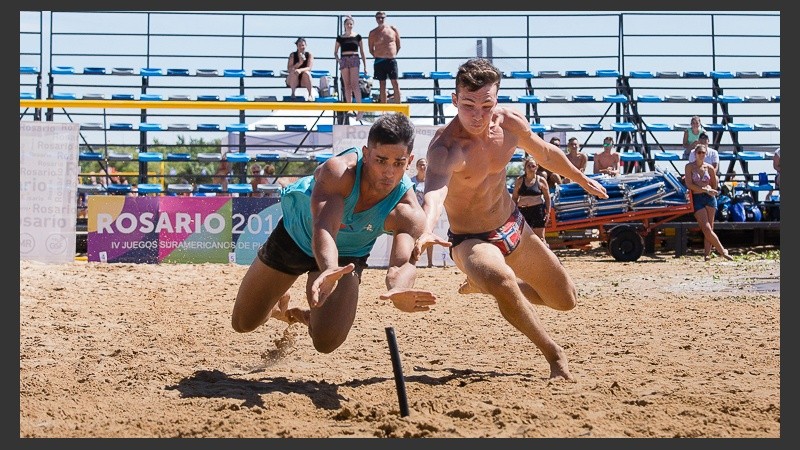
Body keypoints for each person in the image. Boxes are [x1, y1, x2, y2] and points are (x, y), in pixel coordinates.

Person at [413, 58, 608, 381]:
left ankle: (483, 285)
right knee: (502, 280)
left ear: (497, 100)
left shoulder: (510, 124)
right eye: (468, 105)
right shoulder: (446, 147)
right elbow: (435, 190)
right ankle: (554, 355)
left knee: (565, 299)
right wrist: (427, 227)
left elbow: (544, 153)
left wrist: (579, 177)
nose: (477, 115)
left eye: (486, 105)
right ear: (454, 101)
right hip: (471, 240)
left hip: (512, 225)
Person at [231, 113, 437, 354]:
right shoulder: (339, 172)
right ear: (366, 153)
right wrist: (328, 269)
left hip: (347, 256)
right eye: (381, 160)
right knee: (243, 323)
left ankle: (309, 316)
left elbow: (401, 265)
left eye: (398, 163)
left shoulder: (408, 210)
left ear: (410, 160)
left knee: (326, 342)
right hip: (297, 237)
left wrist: (398, 289)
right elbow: (324, 229)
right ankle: (278, 306)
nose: (388, 172)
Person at [685, 144, 733, 262]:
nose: (701, 155)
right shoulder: (690, 167)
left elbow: (714, 183)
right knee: (706, 228)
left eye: (703, 153)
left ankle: (707, 254)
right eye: (699, 152)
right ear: (695, 154)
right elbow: (689, 184)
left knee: (710, 228)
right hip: (697, 198)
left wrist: (711, 190)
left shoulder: (709, 167)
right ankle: (722, 251)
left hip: (709, 198)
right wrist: (704, 189)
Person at [335, 15, 368, 121]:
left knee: (355, 84)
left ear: (353, 25)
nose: (349, 26)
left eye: (351, 24)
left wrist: (365, 66)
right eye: (347, 24)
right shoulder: (340, 37)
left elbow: (362, 52)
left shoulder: (357, 36)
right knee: (347, 85)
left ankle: (360, 109)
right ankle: (349, 108)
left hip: (354, 58)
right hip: (344, 58)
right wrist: (339, 60)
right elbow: (335, 52)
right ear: (344, 25)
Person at [511, 157, 551, 242]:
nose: (530, 168)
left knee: (540, 237)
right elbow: (514, 197)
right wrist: (513, 212)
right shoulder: (520, 180)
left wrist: (548, 212)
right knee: (522, 237)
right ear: (525, 168)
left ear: (536, 167)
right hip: (523, 211)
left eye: (533, 166)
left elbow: (547, 197)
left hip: (537, 210)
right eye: (528, 166)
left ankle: (544, 254)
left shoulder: (541, 180)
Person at [368, 11, 402, 104]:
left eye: (382, 17)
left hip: (391, 60)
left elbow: (398, 45)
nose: (380, 19)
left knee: (395, 83)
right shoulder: (373, 33)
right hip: (379, 61)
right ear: (375, 19)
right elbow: (371, 49)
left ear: (385, 18)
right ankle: (384, 111)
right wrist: (379, 55)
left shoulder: (393, 29)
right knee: (382, 85)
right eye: (378, 17)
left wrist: (391, 54)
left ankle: (399, 111)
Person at [410, 157, 434, 267]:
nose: (422, 167)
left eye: (424, 165)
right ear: (417, 167)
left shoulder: (431, 181)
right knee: (413, 237)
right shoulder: (412, 181)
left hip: (427, 213)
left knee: (428, 236)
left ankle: (430, 262)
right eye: (420, 165)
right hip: (415, 213)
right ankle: (412, 260)